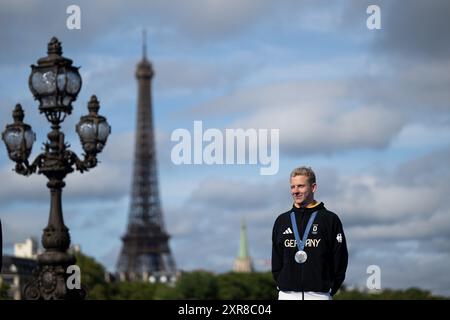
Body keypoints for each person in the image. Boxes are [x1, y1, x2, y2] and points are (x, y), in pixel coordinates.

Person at [271, 166, 348, 300]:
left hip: (319, 294)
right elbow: (276, 258)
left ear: (313, 187)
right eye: (292, 187)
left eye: (300, 186)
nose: (295, 191)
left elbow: (340, 259)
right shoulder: (282, 220)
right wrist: (281, 283)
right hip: (287, 295)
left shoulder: (330, 219)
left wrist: (330, 287)